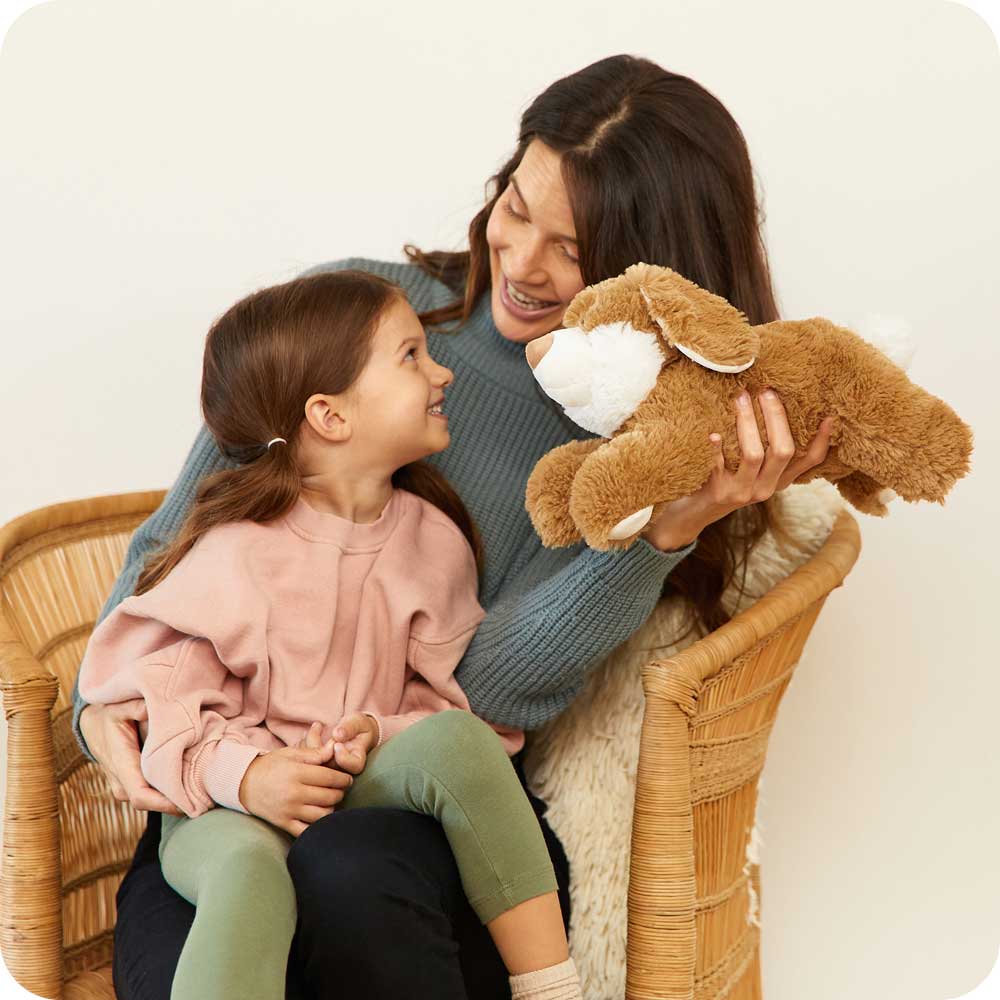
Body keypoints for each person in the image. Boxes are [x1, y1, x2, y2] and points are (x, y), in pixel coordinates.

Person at [72, 54, 835, 999]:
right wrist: (111, 713)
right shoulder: (346, 313)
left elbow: (478, 692)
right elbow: (173, 560)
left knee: (348, 875)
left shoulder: (632, 434)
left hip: (436, 820)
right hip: (235, 788)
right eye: (517, 207)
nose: (522, 265)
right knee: (219, 917)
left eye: (575, 246)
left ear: (657, 271)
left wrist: (661, 530)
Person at [76, 269, 586, 1000]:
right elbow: (170, 716)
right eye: (411, 355)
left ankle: (554, 987)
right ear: (330, 415)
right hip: (228, 809)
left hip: (353, 789)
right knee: (250, 876)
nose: (441, 372)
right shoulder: (233, 553)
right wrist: (251, 777)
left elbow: (437, 701)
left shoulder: (435, 544)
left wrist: (371, 734)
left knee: (467, 743)